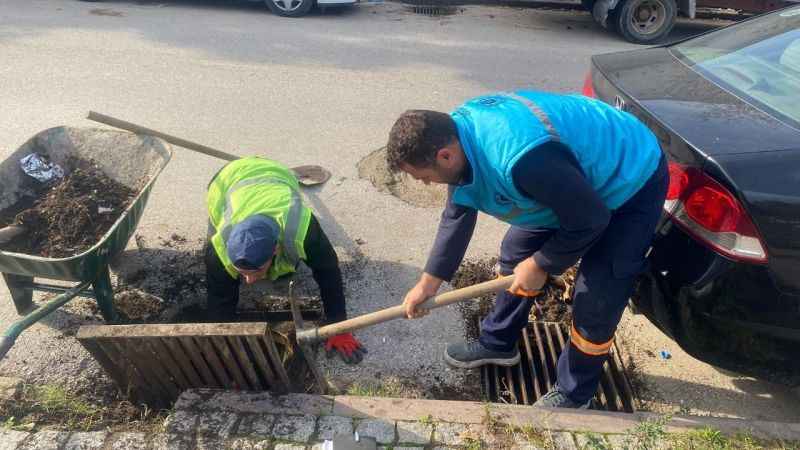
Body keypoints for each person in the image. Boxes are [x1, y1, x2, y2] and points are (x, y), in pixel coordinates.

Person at [386, 90, 668, 408]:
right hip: (569, 182)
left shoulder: (519, 158)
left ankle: (575, 395)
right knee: (516, 253)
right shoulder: (455, 136)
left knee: (597, 296)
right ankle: (498, 343)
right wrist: (428, 284)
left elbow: (591, 218)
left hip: (629, 177)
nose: (425, 184)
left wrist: (543, 264)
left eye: (423, 177)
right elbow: (457, 214)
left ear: (445, 156)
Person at [204, 156, 366, 364]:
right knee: (219, 275)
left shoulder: (303, 230)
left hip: (275, 173)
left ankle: (274, 267)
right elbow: (219, 302)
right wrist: (226, 351)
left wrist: (339, 325)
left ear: (275, 249)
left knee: (289, 269)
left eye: (255, 272)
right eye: (242, 272)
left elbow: (328, 272)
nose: (249, 282)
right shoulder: (218, 250)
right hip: (224, 180)